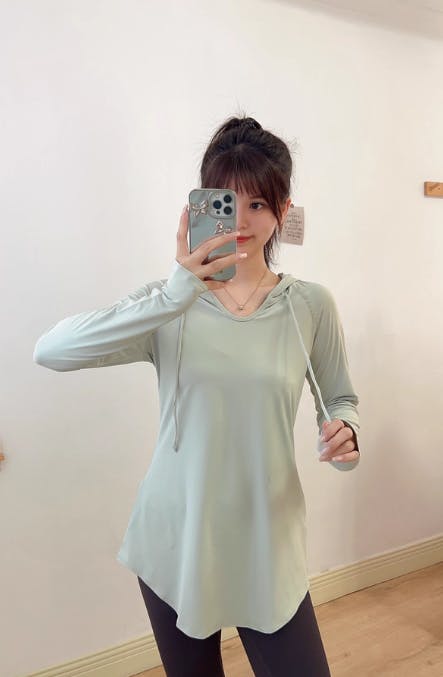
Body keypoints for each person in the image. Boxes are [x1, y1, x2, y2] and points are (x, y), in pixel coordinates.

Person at [33, 116, 360, 676]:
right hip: (176, 539)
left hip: (267, 540)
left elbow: (340, 399)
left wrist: (346, 434)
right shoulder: (169, 304)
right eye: (227, 202)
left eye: (258, 203)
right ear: (201, 205)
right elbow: (52, 350)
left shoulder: (310, 305)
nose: (242, 220)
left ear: (283, 209)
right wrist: (175, 292)